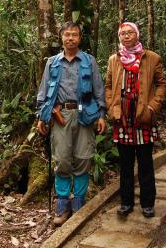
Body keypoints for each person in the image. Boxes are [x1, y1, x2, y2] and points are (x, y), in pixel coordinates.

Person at [37, 21, 106, 226]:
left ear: (80, 38)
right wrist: (42, 115)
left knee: (84, 157)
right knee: (62, 159)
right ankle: (62, 203)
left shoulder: (89, 61)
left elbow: (98, 89)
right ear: (61, 37)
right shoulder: (52, 62)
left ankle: (78, 202)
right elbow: (43, 90)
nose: (70, 38)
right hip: (61, 115)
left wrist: (101, 115)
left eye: (74, 35)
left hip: (85, 114)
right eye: (67, 35)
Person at [105, 22, 166, 218]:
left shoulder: (152, 58)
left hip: (143, 118)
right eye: (123, 33)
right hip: (122, 118)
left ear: (137, 34)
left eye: (130, 32)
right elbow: (108, 85)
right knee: (125, 164)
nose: (126, 36)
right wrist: (110, 106)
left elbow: (161, 85)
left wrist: (152, 106)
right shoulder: (114, 59)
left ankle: (148, 203)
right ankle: (126, 202)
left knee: (146, 163)